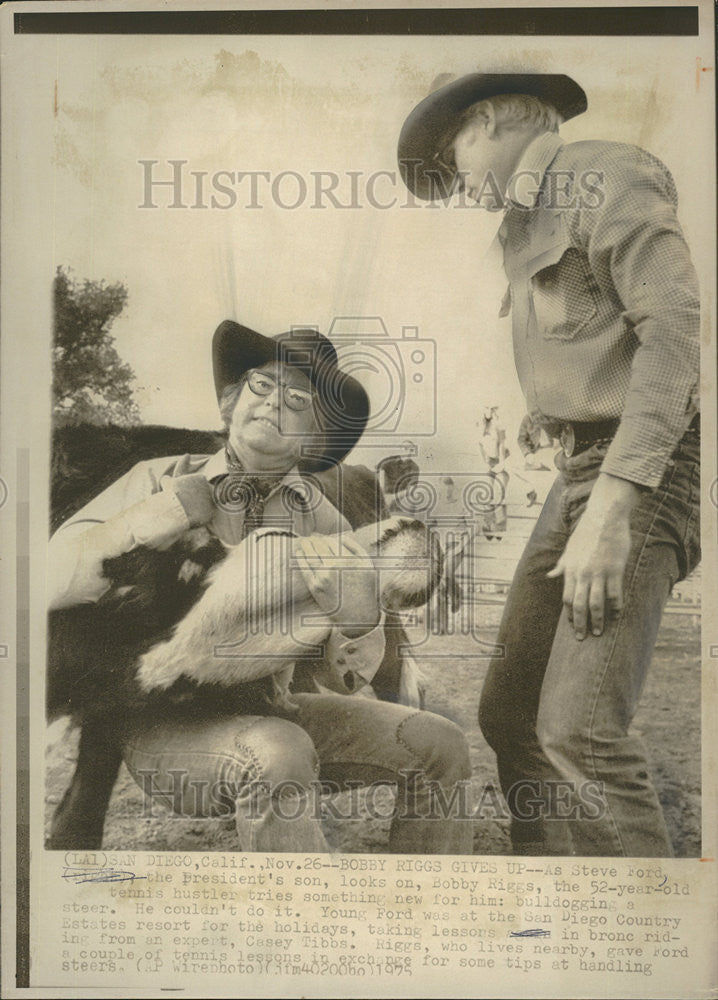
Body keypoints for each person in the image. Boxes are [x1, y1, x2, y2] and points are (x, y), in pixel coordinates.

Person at [398, 73, 700, 856]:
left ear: (492, 118)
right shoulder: (522, 218)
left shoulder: (606, 173)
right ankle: (556, 899)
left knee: (584, 733)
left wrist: (613, 507)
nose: (449, 177)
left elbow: (673, 335)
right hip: (578, 474)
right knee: (510, 712)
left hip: (639, 476)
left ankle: (655, 944)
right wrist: (548, 416)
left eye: (449, 150)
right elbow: (591, 341)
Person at [47, 321, 473, 854]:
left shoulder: (326, 523)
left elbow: (343, 678)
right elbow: (45, 582)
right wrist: (143, 522)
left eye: (297, 398)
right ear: (231, 402)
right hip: (163, 728)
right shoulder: (158, 477)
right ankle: (299, 922)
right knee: (278, 750)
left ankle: (425, 912)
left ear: (315, 435)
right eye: (261, 384)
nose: (274, 402)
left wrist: (361, 621)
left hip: (274, 709)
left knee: (441, 744)